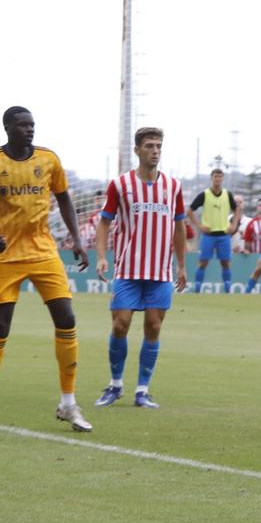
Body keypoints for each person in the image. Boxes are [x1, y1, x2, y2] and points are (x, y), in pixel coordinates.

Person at [0, 106, 92, 432]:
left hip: (44, 251)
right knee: (0, 328)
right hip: (6, 255)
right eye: (23, 125)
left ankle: (68, 403)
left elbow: (64, 199)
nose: (30, 130)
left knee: (67, 319)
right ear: (8, 128)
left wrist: (76, 238)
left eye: (32, 125)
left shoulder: (49, 160)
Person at [91, 126, 189, 409]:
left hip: (160, 271)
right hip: (127, 268)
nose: (155, 151)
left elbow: (179, 226)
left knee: (154, 327)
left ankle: (142, 390)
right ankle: (115, 385)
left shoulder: (173, 186)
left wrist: (181, 266)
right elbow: (104, 222)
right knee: (120, 324)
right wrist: (101, 256)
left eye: (158, 146)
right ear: (137, 150)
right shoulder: (120, 185)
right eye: (149, 146)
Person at [188, 166, 242, 292]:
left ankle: (228, 289)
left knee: (225, 262)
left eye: (219, 176)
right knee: (203, 262)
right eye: (215, 176)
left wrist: (233, 225)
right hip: (209, 235)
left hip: (223, 235)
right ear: (211, 178)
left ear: (222, 178)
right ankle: (197, 288)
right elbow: (190, 211)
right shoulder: (204, 195)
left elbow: (236, 210)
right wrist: (199, 226)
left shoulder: (227, 194)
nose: (217, 179)